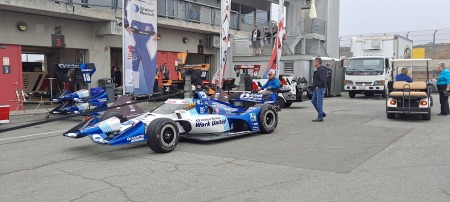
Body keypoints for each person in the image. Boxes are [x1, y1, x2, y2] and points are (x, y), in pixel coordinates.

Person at [124, 0, 158, 94]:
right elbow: (124, 13)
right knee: (133, 68)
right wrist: (126, 24)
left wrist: (155, 35)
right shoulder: (128, 5)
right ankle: (132, 90)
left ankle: (149, 91)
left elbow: (155, 34)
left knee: (149, 69)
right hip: (135, 44)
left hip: (145, 40)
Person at [311, 58, 328, 122]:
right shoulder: (318, 69)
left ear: (317, 62)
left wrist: (318, 85)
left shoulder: (322, 70)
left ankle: (320, 117)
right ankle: (321, 113)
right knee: (313, 101)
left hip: (320, 88)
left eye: (314, 62)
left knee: (319, 103)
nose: (314, 63)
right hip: (317, 88)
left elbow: (323, 79)